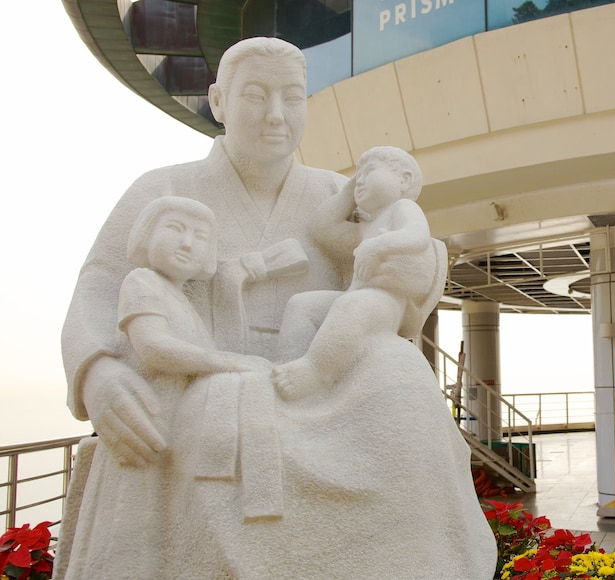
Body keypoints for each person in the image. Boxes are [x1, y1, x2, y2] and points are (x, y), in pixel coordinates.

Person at [59, 37, 496, 578]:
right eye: (255, 96)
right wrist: (96, 373)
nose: (275, 115)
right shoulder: (164, 189)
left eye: (292, 97)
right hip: (204, 383)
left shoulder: (340, 194)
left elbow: (388, 294)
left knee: (404, 381)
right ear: (218, 102)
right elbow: (101, 284)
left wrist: (418, 259)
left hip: (319, 382)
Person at [63, 197, 271, 577]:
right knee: (133, 522)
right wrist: (231, 362)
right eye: (175, 230)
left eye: (200, 236)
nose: (188, 243)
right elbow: (154, 347)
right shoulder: (142, 281)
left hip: (177, 426)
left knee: (163, 522)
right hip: (149, 418)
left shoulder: (180, 299)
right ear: (146, 235)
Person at [273, 145, 445, 400]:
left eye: (369, 172)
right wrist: (348, 192)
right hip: (359, 296)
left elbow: (417, 236)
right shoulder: (366, 226)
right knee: (302, 305)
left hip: (387, 302)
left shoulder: (403, 209)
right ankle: (287, 364)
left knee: (353, 307)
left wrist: (378, 245)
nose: (360, 181)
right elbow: (324, 229)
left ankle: (315, 371)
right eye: (357, 175)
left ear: (404, 179)